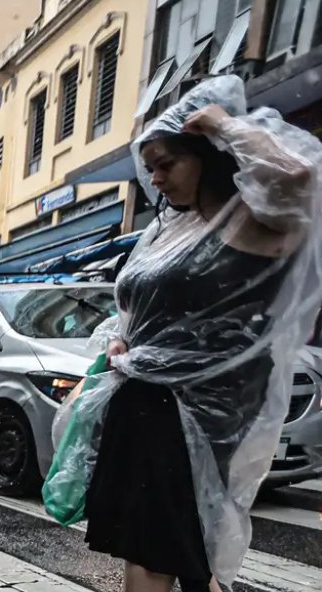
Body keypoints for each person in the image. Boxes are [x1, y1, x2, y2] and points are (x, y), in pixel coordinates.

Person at [73, 76, 322, 592]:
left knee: (162, 550)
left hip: (198, 412)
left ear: (206, 154)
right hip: (145, 403)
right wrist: (122, 340)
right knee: (175, 550)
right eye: (150, 169)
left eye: (167, 164)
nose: (156, 180)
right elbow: (137, 305)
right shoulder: (168, 229)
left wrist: (224, 125)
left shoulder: (253, 220)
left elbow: (299, 178)